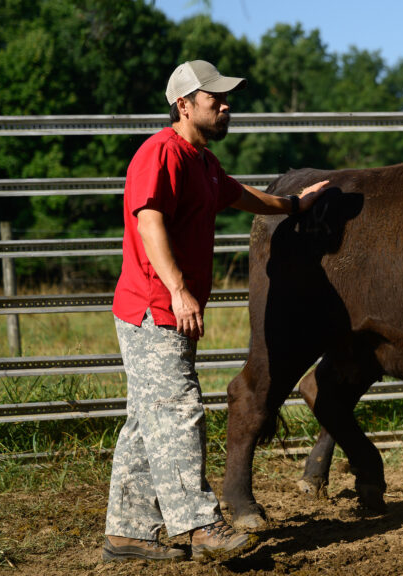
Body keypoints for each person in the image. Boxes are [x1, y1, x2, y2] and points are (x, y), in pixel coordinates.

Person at [102, 60, 329, 563]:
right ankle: (201, 525)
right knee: (180, 414)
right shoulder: (159, 153)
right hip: (153, 309)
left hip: (166, 310)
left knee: (148, 420)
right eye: (215, 99)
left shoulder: (202, 162)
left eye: (228, 99)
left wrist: (293, 205)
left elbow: (242, 196)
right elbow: (149, 223)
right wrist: (179, 290)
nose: (226, 107)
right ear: (183, 105)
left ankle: (127, 532)